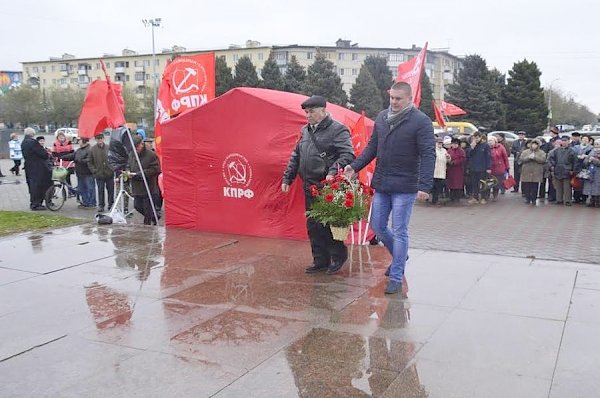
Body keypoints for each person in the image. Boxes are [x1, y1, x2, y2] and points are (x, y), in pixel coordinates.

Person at [344, 82, 435, 294]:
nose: (393, 102)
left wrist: (425, 185)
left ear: (408, 99)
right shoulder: (382, 118)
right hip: (383, 182)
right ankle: (400, 254)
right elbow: (372, 148)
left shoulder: (420, 122)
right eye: (391, 98)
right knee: (377, 225)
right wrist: (354, 167)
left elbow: (428, 154)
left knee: (401, 230)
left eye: (398, 99)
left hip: (406, 185)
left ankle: (396, 274)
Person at [282, 95, 355, 275]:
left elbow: (347, 155)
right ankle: (320, 260)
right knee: (313, 225)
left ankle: (338, 256)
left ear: (323, 110)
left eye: (312, 111)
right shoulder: (305, 131)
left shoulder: (338, 130)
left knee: (329, 224)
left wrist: (332, 172)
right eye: (306, 112)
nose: (308, 115)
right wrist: (287, 178)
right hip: (308, 184)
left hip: (327, 185)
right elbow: (296, 156)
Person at [128, 135, 161, 225]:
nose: (136, 148)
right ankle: (155, 217)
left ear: (142, 144)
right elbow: (129, 165)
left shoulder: (151, 155)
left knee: (148, 210)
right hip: (137, 187)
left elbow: (156, 169)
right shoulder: (132, 154)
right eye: (134, 147)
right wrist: (127, 172)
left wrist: (140, 174)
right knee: (137, 206)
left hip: (148, 187)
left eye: (137, 146)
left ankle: (147, 229)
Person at [20, 127, 52, 210]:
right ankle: (37, 204)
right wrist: (47, 153)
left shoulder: (23, 142)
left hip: (28, 165)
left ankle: (33, 202)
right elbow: (43, 154)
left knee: (31, 185)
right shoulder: (33, 142)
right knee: (38, 185)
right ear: (32, 134)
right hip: (38, 167)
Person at [88, 134, 115, 212]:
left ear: (103, 139)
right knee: (100, 190)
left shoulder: (108, 148)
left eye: (101, 138)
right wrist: (94, 170)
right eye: (98, 139)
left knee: (110, 190)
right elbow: (89, 162)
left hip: (109, 173)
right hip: (99, 174)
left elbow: (113, 159)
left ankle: (111, 204)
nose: (100, 140)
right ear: (96, 140)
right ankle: (101, 205)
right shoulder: (92, 149)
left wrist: (112, 168)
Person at [547, 137, 576, 206]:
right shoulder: (556, 150)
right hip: (558, 170)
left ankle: (567, 200)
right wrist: (552, 166)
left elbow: (575, 161)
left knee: (567, 187)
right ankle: (559, 199)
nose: (564, 142)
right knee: (558, 186)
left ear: (569, 141)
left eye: (565, 141)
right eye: (563, 141)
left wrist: (572, 170)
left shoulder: (572, 151)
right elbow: (551, 159)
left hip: (567, 170)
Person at [518, 138, 547, 205]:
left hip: (536, 171)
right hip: (527, 171)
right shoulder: (525, 152)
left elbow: (543, 160)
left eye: (536, 144)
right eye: (533, 144)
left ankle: (534, 199)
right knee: (527, 186)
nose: (534, 145)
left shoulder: (541, 152)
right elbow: (521, 159)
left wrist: (535, 157)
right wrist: (528, 157)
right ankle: (528, 198)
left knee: (535, 186)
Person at [467, 131, 491, 204]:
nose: (476, 139)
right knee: (474, 183)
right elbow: (469, 155)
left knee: (483, 183)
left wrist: (488, 168)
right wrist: (472, 147)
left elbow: (488, 157)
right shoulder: (472, 145)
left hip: (482, 168)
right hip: (473, 168)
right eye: (474, 138)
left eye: (477, 138)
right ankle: (475, 197)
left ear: (480, 137)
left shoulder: (485, 145)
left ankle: (484, 198)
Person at [74, 138, 96, 208]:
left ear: (84, 141)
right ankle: (85, 202)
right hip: (80, 173)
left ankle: (92, 203)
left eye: (79, 140)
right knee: (82, 188)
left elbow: (90, 159)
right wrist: (61, 157)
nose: (78, 141)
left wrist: (81, 160)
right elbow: (73, 156)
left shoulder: (90, 149)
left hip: (88, 173)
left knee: (90, 188)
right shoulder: (79, 150)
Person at [488, 136, 509, 201]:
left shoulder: (501, 147)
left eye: (491, 141)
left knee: (497, 183)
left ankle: (495, 195)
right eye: (489, 141)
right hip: (490, 168)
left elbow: (505, 157)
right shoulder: (487, 148)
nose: (490, 142)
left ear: (495, 141)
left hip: (499, 168)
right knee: (489, 182)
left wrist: (507, 167)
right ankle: (487, 195)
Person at [446, 137, 466, 203]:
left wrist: (454, 162)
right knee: (451, 184)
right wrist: (448, 161)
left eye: (456, 144)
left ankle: (457, 198)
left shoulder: (461, 151)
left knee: (457, 184)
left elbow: (462, 159)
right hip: (450, 170)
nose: (454, 145)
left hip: (458, 170)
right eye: (453, 144)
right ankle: (452, 197)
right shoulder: (449, 150)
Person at [431, 137, 449, 205]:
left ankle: (436, 199)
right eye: (439, 142)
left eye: (441, 143)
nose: (440, 144)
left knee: (439, 187)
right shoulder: (433, 150)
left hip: (442, 171)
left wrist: (448, 157)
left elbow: (448, 160)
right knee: (434, 186)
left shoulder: (444, 150)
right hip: (435, 171)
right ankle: (434, 200)